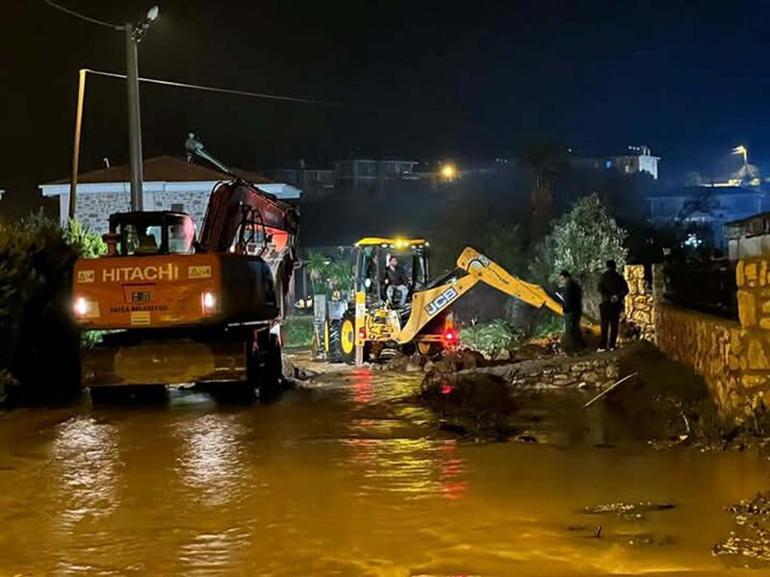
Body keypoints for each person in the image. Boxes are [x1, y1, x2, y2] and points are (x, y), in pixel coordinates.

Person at [598, 259, 629, 351]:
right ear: (615, 267)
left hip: (606, 304)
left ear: (607, 266)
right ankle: (612, 345)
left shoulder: (603, 277)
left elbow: (600, 289)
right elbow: (626, 290)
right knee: (614, 325)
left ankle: (603, 346)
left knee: (604, 325)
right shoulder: (619, 277)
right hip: (616, 304)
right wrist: (617, 296)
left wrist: (608, 297)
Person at [559, 270, 585, 354]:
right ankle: (581, 347)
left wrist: (565, 308)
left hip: (570, 311)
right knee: (576, 329)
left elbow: (568, 300)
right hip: (577, 310)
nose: (562, 281)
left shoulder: (568, 286)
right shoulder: (576, 285)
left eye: (562, 279)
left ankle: (572, 350)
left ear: (567, 277)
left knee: (570, 331)